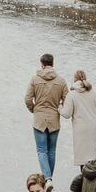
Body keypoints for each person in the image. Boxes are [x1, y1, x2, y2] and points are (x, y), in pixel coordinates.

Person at [25, 54, 68, 183]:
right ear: (52, 64)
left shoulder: (35, 79)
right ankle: (49, 180)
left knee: (41, 150)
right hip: (54, 119)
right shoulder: (61, 81)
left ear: (42, 64)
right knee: (52, 151)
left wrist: (34, 109)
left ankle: (48, 179)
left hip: (39, 119)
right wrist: (59, 108)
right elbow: (67, 100)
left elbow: (27, 99)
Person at [59, 70, 96, 167]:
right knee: (91, 158)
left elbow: (67, 114)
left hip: (80, 129)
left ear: (74, 79)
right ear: (85, 78)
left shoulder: (71, 95)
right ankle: (92, 178)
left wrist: (60, 107)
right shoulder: (94, 94)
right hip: (94, 127)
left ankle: (85, 179)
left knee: (82, 160)